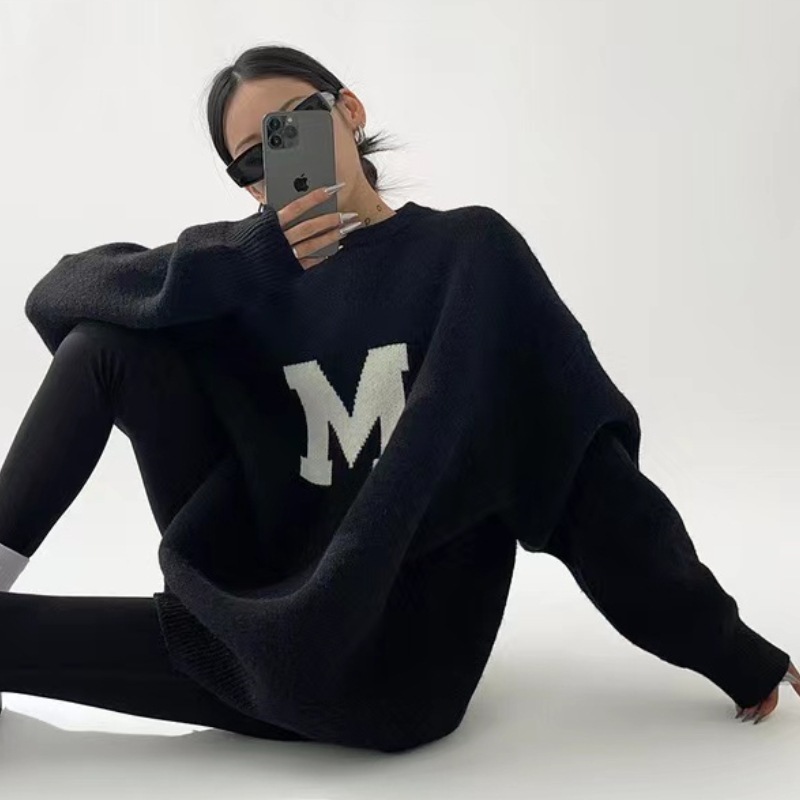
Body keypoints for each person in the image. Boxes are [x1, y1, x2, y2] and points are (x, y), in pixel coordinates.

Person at [0, 44, 795, 746]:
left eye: (294, 126)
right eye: (253, 159)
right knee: (102, 345)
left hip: (383, 666)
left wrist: (727, 648)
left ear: (349, 111)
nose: (280, 160)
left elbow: (585, 480)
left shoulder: (467, 259)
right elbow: (60, 296)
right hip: (239, 624)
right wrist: (245, 261)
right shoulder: (243, 271)